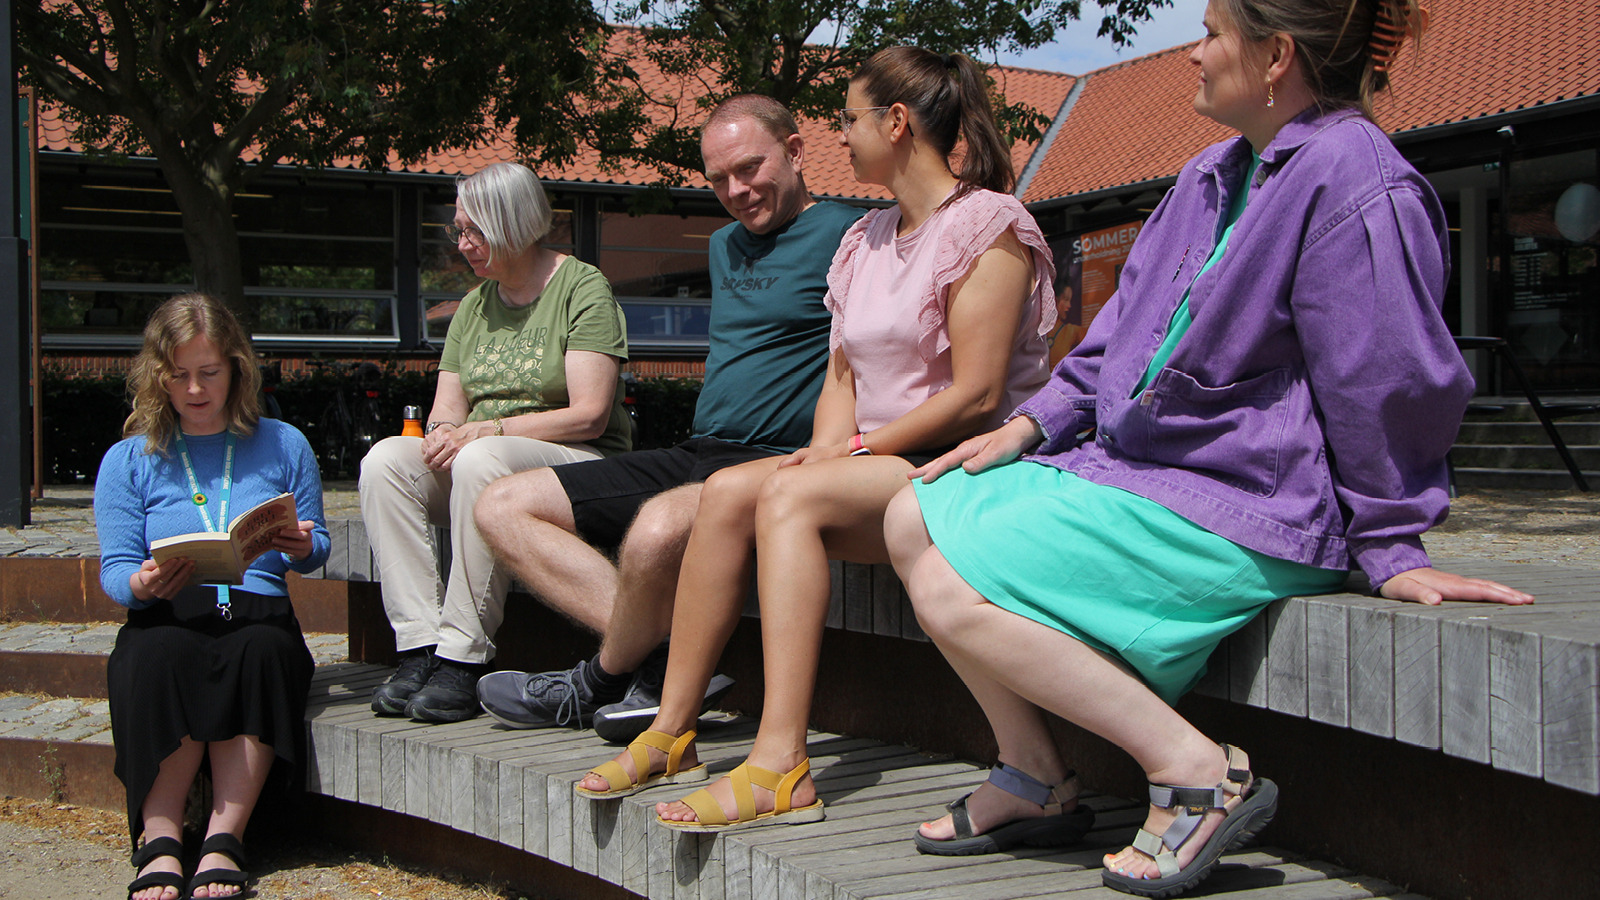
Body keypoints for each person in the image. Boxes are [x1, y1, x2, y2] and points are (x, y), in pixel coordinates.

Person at [880, 2, 1534, 897]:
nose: (1194, 51)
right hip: (1153, 479)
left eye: (1215, 33)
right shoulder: (1214, 172)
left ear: (1273, 57)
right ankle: (1033, 774)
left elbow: (1386, 380)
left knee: (952, 582)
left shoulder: (1354, 176)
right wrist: (1029, 428)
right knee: (911, 513)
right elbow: (1114, 339)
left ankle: (1193, 770)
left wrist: (1388, 544)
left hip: (1253, 505)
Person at [575, 47, 1061, 836]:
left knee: (789, 495)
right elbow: (843, 381)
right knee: (730, 489)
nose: (839, 136)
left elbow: (974, 393)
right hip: (882, 465)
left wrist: (851, 454)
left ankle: (778, 763)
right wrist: (828, 446)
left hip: (966, 466)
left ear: (896, 123)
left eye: (848, 120)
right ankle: (672, 729)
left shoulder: (989, 225)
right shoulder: (864, 239)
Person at [470, 95, 863, 737]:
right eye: (717, 180)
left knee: (655, 531)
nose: (736, 191)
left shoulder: (853, 235)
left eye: (750, 168)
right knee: (502, 506)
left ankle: (591, 683)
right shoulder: (722, 247)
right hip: (698, 451)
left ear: (795, 152)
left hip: (777, 463)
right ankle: (668, 664)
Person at [361, 161, 632, 723]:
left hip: (576, 462)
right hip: (485, 460)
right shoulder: (473, 305)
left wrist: (490, 430)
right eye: (457, 230)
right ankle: (417, 646)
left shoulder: (582, 287)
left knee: (482, 457)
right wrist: (439, 435)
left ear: (514, 221)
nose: (463, 244)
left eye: (474, 230)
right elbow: (447, 410)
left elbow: (589, 414)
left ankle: (463, 655)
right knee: (386, 460)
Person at [95, 293, 330, 900]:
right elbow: (116, 569)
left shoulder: (284, 444)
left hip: (258, 609)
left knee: (261, 654)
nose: (195, 389)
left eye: (210, 372)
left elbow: (318, 540)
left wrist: (304, 546)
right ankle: (161, 839)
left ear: (237, 369)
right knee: (154, 656)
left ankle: (226, 838)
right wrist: (140, 584)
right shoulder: (130, 458)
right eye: (179, 375)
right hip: (169, 610)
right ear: (158, 376)